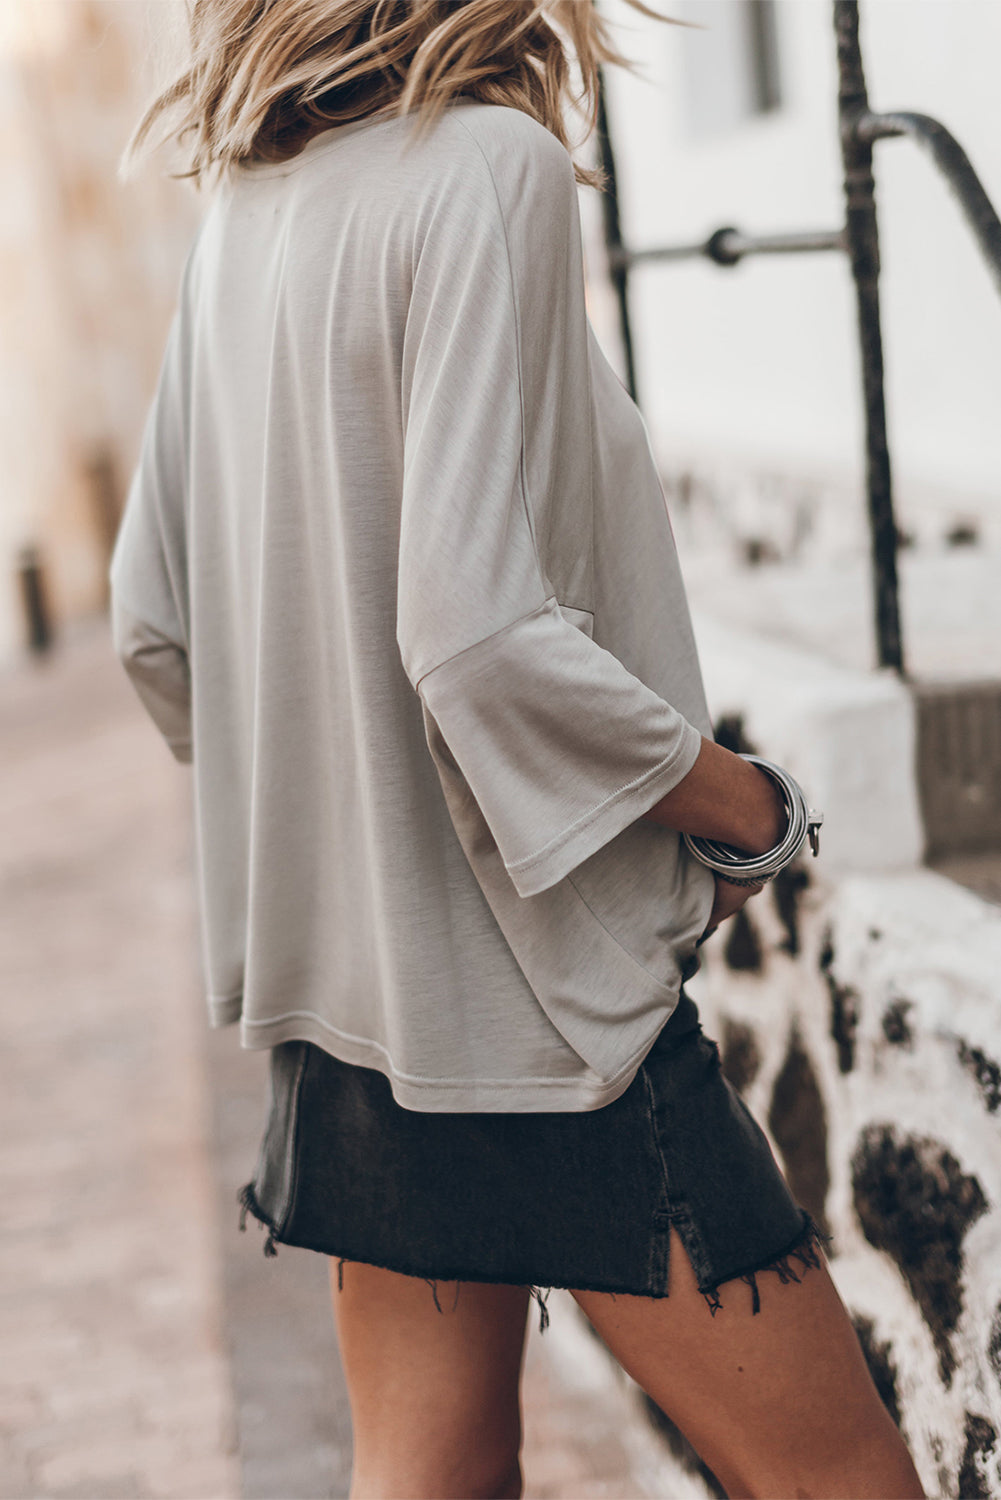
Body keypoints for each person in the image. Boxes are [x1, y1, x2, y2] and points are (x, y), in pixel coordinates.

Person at [111, 2, 925, 1496]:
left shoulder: (241, 215)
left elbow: (153, 627)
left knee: (429, 1478)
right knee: (845, 1486)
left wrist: (336, 825)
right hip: (545, 1019)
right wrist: (748, 808)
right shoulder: (488, 166)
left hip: (351, 1023)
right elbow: (479, 638)